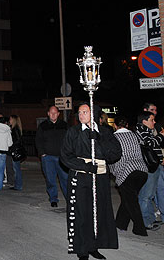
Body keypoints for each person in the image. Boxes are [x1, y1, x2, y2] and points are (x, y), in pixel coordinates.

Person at [60, 103, 122, 260]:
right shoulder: (73, 132)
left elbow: (115, 153)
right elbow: (65, 156)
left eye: (85, 112)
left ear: (93, 113)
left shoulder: (105, 132)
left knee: (98, 213)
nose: (81, 115)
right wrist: (86, 166)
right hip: (80, 177)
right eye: (79, 113)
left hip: (100, 177)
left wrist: (99, 140)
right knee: (82, 213)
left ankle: (93, 246)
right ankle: (82, 249)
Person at [108, 118, 149, 236]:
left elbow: (112, 158)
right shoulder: (135, 136)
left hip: (126, 172)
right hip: (142, 171)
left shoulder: (113, 138)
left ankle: (140, 229)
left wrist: (112, 172)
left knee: (131, 201)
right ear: (127, 124)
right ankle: (120, 223)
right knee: (128, 198)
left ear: (115, 125)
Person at [135, 111, 164, 230]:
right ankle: (146, 222)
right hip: (149, 167)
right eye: (152, 120)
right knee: (146, 195)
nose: (154, 122)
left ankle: (150, 219)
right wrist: (161, 135)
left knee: (150, 195)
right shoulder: (142, 130)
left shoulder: (146, 130)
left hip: (154, 166)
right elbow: (150, 144)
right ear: (144, 121)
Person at [36, 105, 69, 207]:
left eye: (55, 113)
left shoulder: (64, 125)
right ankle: (53, 199)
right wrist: (42, 153)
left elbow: (70, 140)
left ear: (58, 114)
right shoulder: (43, 126)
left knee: (66, 179)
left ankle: (70, 199)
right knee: (50, 180)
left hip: (62, 158)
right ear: (48, 114)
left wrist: (68, 153)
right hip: (48, 158)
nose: (53, 114)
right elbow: (38, 140)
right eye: (51, 112)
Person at [5, 114, 23, 191]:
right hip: (15, 150)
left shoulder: (15, 130)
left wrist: (11, 147)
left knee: (16, 169)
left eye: (11, 119)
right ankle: (17, 184)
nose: (9, 121)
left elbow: (16, 141)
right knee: (16, 168)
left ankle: (18, 185)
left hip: (14, 151)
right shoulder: (16, 129)